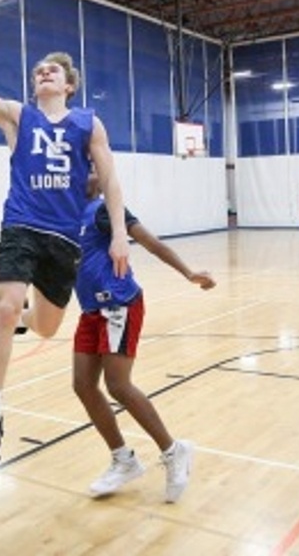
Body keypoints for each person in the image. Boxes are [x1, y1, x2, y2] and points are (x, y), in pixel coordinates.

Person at [0, 32, 131, 476]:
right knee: (5, 303)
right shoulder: (19, 116)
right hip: (21, 225)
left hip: (63, 238)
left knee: (48, 326)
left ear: (69, 84)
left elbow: (110, 181)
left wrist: (119, 235)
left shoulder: (89, 124)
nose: (43, 72)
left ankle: (24, 317)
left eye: (52, 69)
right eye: (38, 70)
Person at [73, 170, 216, 503]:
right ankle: (123, 460)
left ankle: (173, 450)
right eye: (86, 167)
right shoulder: (63, 217)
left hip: (120, 304)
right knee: (82, 384)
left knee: (118, 385)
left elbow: (150, 242)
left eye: (95, 167)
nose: (92, 173)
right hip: (90, 310)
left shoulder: (106, 210)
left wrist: (189, 272)